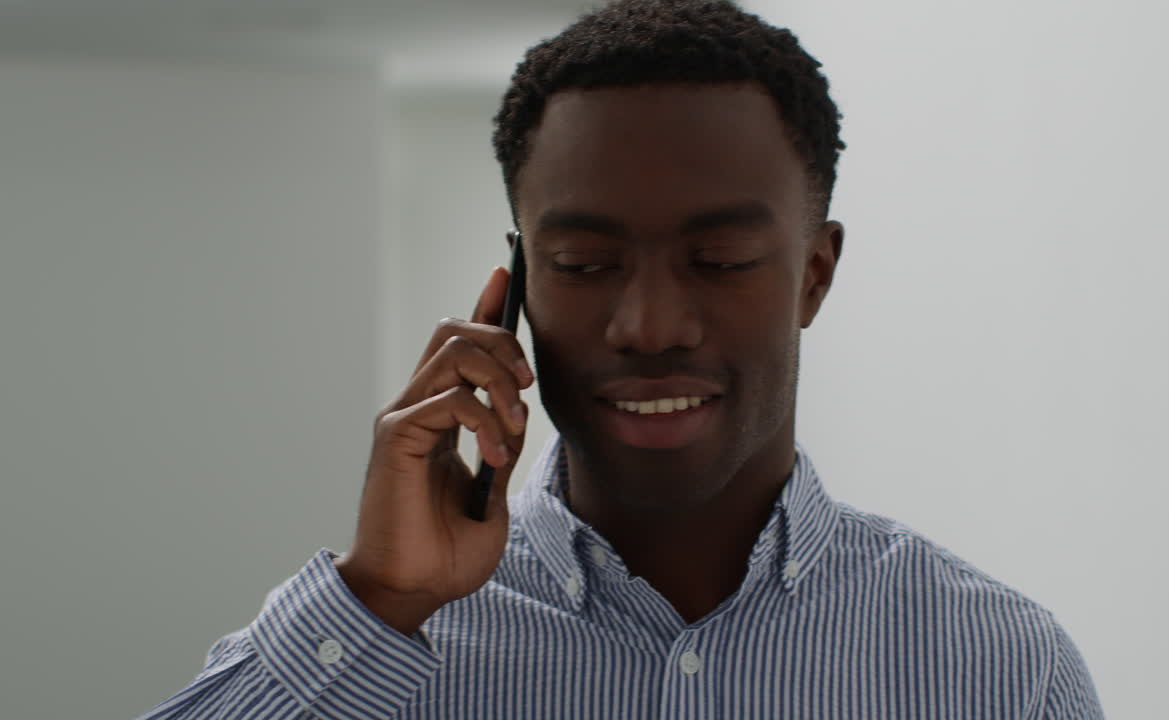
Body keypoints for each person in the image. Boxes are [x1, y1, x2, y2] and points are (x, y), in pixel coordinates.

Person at [139, 1, 1104, 718]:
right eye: (586, 264)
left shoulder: (995, 667)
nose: (648, 324)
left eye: (718, 260)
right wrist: (380, 600)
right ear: (516, 288)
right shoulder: (378, 646)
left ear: (814, 275)